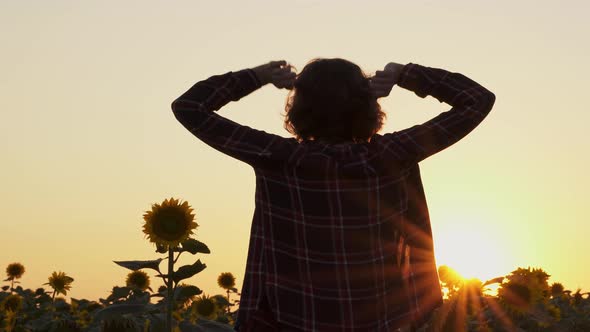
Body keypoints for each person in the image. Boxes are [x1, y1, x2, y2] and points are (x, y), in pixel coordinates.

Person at [171, 58, 495, 331]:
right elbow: (476, 100)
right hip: (386, 319)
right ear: (369, 107)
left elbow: (189, 107)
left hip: (291, 319)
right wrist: (404, 74)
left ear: (298, 110)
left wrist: (258, 76)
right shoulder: (393, 155)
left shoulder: (278, 157)